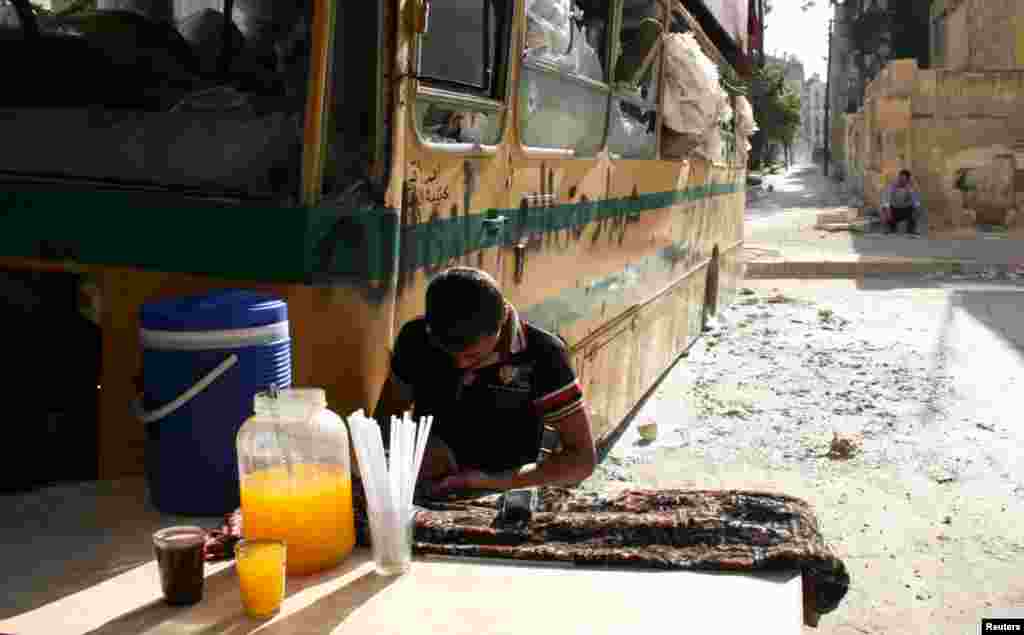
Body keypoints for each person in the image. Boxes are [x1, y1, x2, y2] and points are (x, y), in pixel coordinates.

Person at [373, 267, 597, 497]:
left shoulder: (544, 354)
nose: (460, 365)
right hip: (429, 490)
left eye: (471, 356)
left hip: (502, 499)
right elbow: (384, 419)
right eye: (447, 352)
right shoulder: (415, 337)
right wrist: (419, 443)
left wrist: (493, 481)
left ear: (501, 325)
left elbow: (581, 460)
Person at [881, 169, 922, 235]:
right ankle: (889, 227)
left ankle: (911, 229)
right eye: (900, 178)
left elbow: (916, 201)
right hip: (893, 210)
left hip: (905, 210)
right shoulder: (892, 185)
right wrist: (887, 210)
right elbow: (886, 199)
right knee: (884, 209)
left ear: (907, 180)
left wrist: (917, 209)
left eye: (904, 179)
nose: (901, 181)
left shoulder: (911, 187)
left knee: (917, 209)